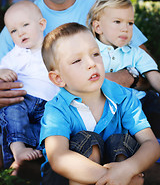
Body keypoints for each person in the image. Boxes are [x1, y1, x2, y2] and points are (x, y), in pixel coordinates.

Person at [0, 0, 149, 107]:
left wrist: (124, 78)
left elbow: (150, 74)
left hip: (123, 114)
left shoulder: (107, 11)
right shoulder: (17, 26)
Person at [39, 22, 160, 185]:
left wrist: (128, 169)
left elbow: (150, 143)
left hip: (122, 173)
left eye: (95, 54)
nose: (91, 63)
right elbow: (58, 158)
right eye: (77, 61)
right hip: (65, 179)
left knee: (120, 141)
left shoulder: (124, 97)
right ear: (58, 78)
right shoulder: (56, 109)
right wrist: (113, 178)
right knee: (87, 140)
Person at [87, 0, 160, 138]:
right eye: (117, 22)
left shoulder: (135, 53)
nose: (125, 28)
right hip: (107, 109)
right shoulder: (89, 52)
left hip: (140, 102)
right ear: (98, 27)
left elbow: (154, 77)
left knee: (154, 107)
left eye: (130, 23)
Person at [0, 1, 59, 173]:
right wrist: (2, 72)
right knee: (11, 112)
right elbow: (1, 70)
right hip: (23, 100)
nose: (21, 32)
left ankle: (40, 157)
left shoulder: (53, 49)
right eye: (14, 31)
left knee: (52, 127)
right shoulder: (15, 55)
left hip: (49, 104)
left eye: (25, 25)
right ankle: (18, 150)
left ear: (41, 25)